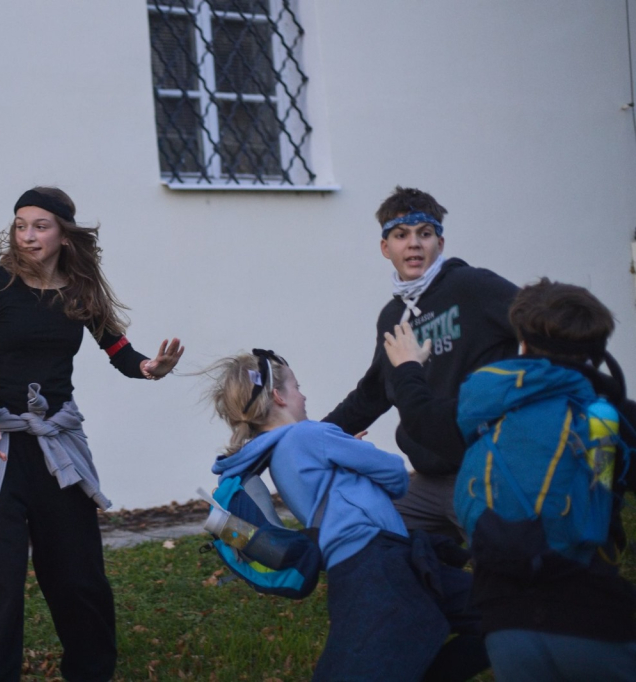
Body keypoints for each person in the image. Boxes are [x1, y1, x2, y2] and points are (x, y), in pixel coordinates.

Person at [0, 187, 184, 682]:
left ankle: (90, 671)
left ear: (64, 234)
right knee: (0, 581)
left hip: (58, 446)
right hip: (0, 445)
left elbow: (118, 349)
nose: (27, 235)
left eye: (39, 226)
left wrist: (149, 367)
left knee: (78, 575)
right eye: (20, 225)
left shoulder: (81, 289)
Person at [384, 280, 636, 681]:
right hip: (597, 619)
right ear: (596, 346)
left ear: (521, 342)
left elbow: (421, 417)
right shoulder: (613, 415)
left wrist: (408, 367)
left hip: (507, 628)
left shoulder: (482, 409)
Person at [208, 349, 487, 682]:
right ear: (279, 397)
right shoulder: (309, 434)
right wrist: (357, 451)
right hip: (377, 563)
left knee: (497, 610)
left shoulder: (275, 455)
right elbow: (395, 475)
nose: (303, 396)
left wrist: (346, 460)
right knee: (499, 614)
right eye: (297, 387)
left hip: (366, 565)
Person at [323, 186, 518, 541]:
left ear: (439, 243)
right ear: (385, 248)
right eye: (401, 235)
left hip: (485, 470)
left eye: (424, 234)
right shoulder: (393, 317)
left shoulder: (472, 287)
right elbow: (372, 394)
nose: (413, 244)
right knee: (366, 535)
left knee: (506, 564)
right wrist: (312, 436)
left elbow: (543, 323)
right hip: (427, 480)